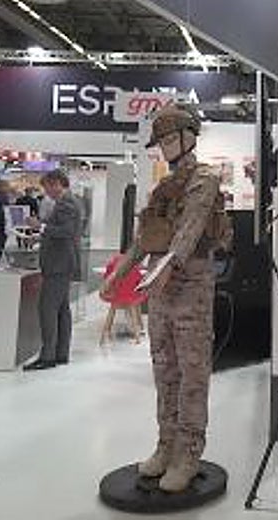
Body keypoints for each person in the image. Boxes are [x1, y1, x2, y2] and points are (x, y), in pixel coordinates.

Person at [102, 103, 227, 493]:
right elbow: (146, 239)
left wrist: (168, 266)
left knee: (192, 372)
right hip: (160, 289)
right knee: (164, 369)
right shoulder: (163, 188)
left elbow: (189, 230)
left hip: (191, 288)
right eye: (163, 141)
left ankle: (188, 452)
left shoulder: (205, 179)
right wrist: (119, 275)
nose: (167, 147)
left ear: (189, 138)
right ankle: (166, 444)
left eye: (172, 138)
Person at [25, 169, 84, 371]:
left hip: (58, 264)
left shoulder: (66, 203)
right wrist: (41, 235)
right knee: (61, 309)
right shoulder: (67, 202)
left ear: (58, 183)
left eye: (48, 186)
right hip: (62, 263)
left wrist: (40, 227)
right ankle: (60, 353)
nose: (47, 191)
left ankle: (48, 356)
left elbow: (66, 232)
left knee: (47, 308)